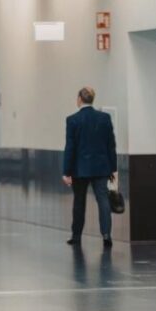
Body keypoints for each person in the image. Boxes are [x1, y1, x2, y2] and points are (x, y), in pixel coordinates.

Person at [62, 86, 117, 248]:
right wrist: (112, 168)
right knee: (103, 200)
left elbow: (70, 147)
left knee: (79, 201)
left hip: (80, 169)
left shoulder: (72, 120)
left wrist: (66, 171)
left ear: (79, 99)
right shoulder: (104, 118)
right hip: (101, 168)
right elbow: (111, 145)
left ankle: (76, 236)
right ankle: (106, 235)